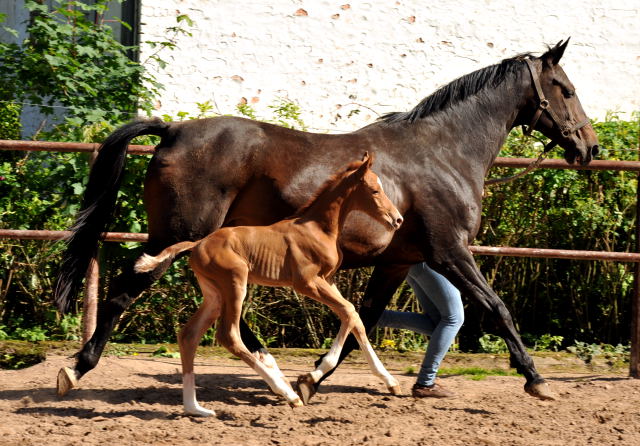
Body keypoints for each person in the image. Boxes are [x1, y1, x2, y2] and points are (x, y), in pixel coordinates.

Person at [377, 262, 464, 398]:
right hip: (429, 260)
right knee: (453, 319)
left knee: (438, 325)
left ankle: (372, 318)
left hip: (413, 261)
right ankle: (425, 383)